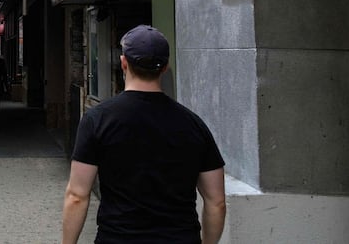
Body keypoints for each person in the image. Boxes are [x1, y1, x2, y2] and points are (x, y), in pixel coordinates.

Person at [62, 25, 226, 244]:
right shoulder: (193, 124)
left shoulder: (97, 120)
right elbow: (216, 202)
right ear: (165, 67)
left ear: (123, 63)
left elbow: (77, 196)